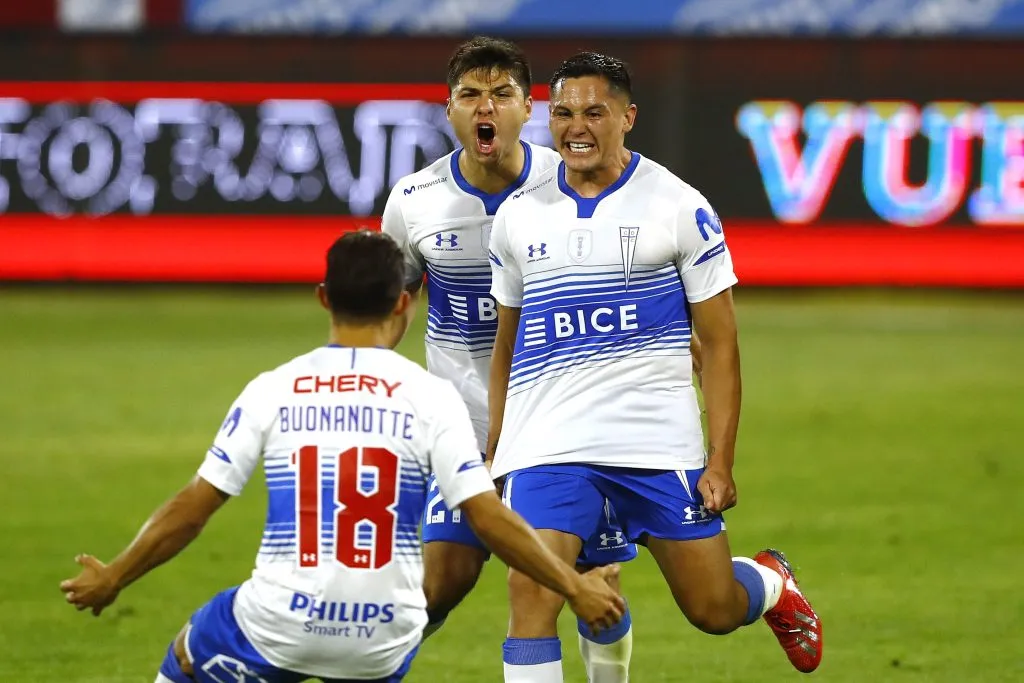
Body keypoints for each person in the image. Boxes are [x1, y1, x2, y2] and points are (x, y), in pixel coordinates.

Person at [59, 231, 625, 683]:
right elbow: (486, 516)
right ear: (403, 302)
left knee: (186, 660)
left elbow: (193, 508)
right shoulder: (430, 396)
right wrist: (574, 587)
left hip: (279, 620)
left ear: (323, 297)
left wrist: (114, 577)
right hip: (383, 639)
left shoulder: (274, 388)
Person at [486, 52, 824, 683]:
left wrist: (720, 460)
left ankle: (770, 582)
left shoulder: (677, 207)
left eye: (594, 112)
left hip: (654, 441)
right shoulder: (517, 217)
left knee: (713, 609)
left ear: (628, 117)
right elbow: (508, 342)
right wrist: (496, 444)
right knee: (532, 595)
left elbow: (720, 344)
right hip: (549, 444)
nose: (575, 127)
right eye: (562, 113)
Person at [381, 37, 638, 681]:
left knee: (591, 588)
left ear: (530, 109)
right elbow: (386, 307)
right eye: (470, 95)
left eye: (501, 94)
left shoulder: (578, 180)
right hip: (461, 425)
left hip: (563, 417)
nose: (484, 107)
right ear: (450, 111)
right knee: (437, 586)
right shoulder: (414, 201)